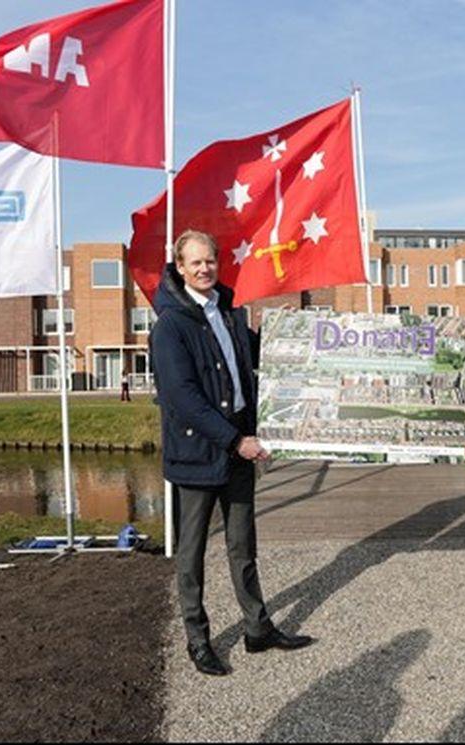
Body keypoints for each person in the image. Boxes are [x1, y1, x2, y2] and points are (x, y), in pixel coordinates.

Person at [150, 229, 313, 677]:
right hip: (199, 454)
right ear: (180, 267)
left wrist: (284, 330)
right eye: (195, 263)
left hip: (239, 449)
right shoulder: (171, 326)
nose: (204, 269)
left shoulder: (229, 312)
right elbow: (182, 396)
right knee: (192, 552)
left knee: (243, 545)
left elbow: (262, 361)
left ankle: (257, 628)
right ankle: (198, 639)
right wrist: (234, 439)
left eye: (210, 261)